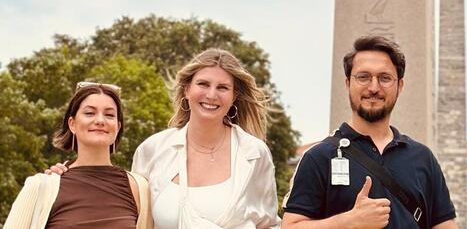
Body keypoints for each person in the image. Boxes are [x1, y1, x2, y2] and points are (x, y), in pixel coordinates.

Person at [46, 48, 281, 228]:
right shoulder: (153, 149)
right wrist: (67, 177)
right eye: (203, 84)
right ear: (187, 89)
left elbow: (269, 224)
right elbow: (125, 211)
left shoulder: (253, 154)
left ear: (234, 96)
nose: (211, 94)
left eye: (222, 87)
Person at [282, 35, 457, 228]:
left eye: (385, 78)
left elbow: (444, 225)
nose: (374, 87)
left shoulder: (423, 158)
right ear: (348, 83)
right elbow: (291, 226)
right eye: (363, 77)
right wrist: (348, 222)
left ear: (400, 86)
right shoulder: (318, 157)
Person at [5, 82, 152, 228]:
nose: (100, 120)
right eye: (89, 113)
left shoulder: (140, 189)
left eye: (109, 115)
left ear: (118, 127)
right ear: (72, 124)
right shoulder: (41, 186)